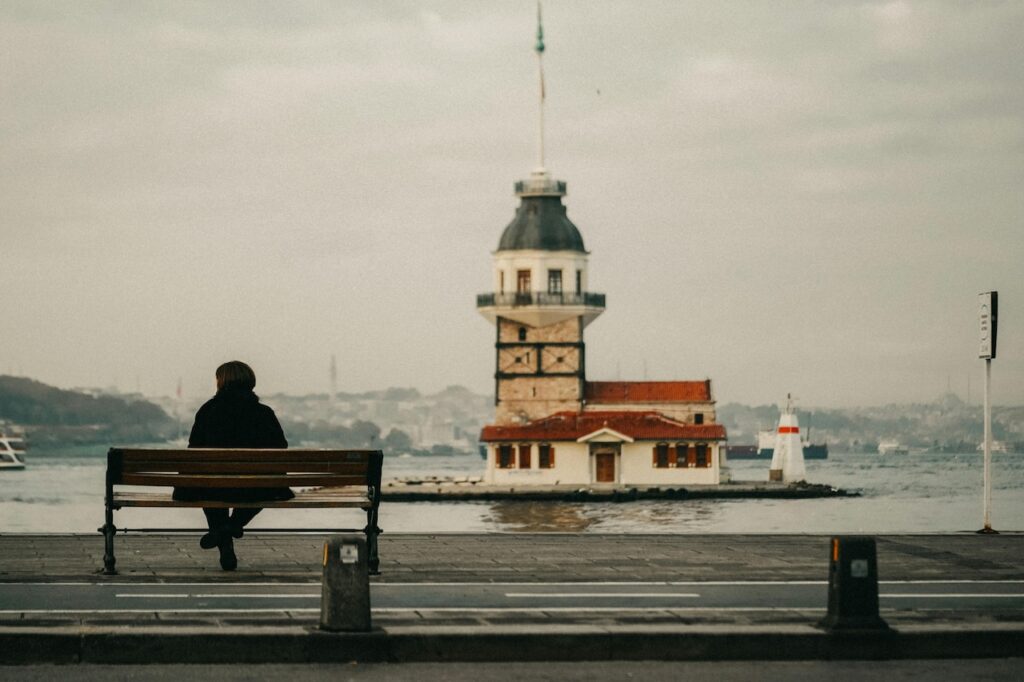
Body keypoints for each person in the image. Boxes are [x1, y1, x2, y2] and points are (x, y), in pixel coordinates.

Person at [173, 361, 293, 570]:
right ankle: (232, 526)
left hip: (212, 486)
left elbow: (194, 450)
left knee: (208, 487)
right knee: (270, 486)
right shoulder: (263, 413)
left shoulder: (208, 411)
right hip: (252, 489)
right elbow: (280, 449)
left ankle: (223, 540)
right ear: (250, 382)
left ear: (221, 382)